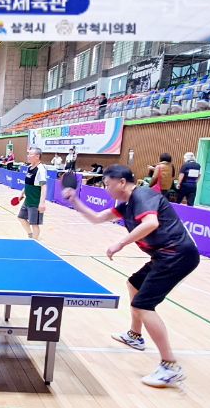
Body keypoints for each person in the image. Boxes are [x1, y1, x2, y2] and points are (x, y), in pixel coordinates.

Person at [61, 165, 199, 388]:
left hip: (177, 255)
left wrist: (120, 243)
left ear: (122, 182)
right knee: (134, 284)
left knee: (144, 305)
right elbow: (97, 218)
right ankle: (135, 335)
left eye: (108, 184)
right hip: (164, 256)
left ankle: (170, 366)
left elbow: (151, 223)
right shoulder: (127, 206)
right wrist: (74, 200)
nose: (106, 189)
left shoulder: (142, 195)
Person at [18, 147, 48, 240]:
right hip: (27, 200)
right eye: (28, 154)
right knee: (21, 218)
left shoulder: (41, 169)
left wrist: (42, 203)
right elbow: (28, 183)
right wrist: (22, 193)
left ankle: (35, 242)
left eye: (31, 154)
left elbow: (44, 186)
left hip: (35, 201)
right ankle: (31, 235)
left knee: (34, 224)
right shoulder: (29, 168)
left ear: (37, 156)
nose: (28, 156)